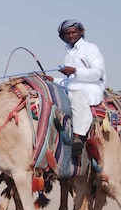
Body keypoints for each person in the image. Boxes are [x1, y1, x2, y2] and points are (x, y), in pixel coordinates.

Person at [42, 19, 106, 156]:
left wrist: (75, 71)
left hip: (90, 88)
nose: (71, 36)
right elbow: (70, 81)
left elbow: (97, 73)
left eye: (73, 32)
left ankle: (79, 136)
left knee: (77, 96)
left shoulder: (90, 48)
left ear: (81, 32)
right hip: (72, 87)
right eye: (67, 34)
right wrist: (54, 80)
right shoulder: (69, 52)